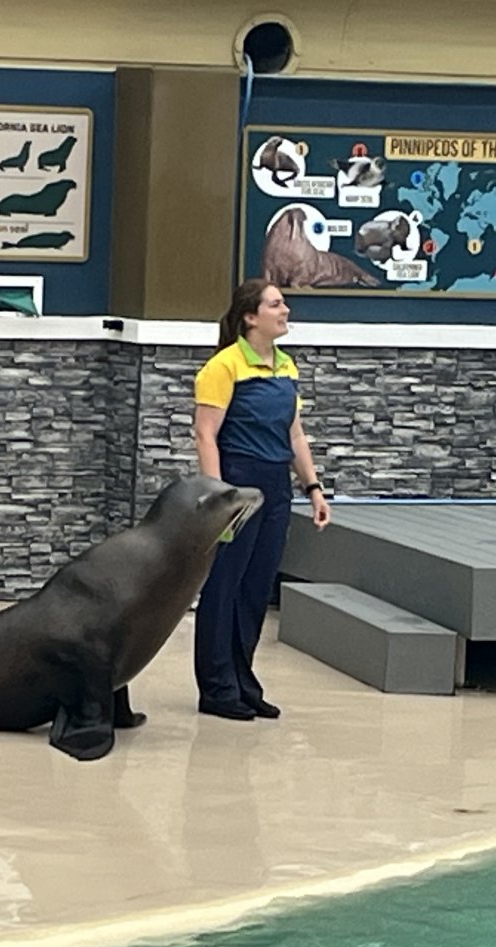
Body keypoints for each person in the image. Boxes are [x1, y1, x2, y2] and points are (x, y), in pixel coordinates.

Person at [192, 278, 330, 720]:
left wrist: (313, 487)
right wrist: (219, 496)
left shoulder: (286, 367)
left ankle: (242, 681)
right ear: (251, 317)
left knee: (255, 588)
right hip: (239, 482)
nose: (285, 310)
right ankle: (216, 688)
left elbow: (294, 434)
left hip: (275, 488)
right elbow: (206, 435)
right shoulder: (224, 366)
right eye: (276, 304)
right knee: (224, 585)